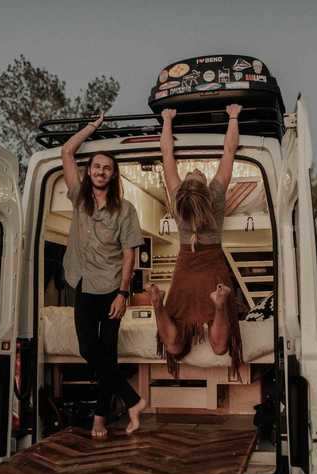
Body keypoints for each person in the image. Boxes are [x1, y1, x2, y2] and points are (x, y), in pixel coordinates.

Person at [61, 113, 147, 438]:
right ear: (89, 172)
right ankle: (132, 400)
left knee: (106, 356)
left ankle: (100, 418)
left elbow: (130, 253)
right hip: (82, 284)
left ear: (113, 175)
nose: (100, 171)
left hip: (112, 289)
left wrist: (124, 293)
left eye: (107, 168)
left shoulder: (125, 210)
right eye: (96, 166)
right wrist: (92, 128)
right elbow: (67, 152)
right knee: (89, 351)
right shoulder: (78, 198)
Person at [149, 105, 244, 376]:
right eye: (198, 173)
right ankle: (219, 305)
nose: (196, 170)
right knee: (219, 346)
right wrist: (233, 116)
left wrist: (167, 119)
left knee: (176, 346)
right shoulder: (215, 194)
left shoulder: (177, 196)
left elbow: (166, 152)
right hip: (213, 266)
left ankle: (159, 307)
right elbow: (229, 150)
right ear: (204, 188)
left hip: (185, 268)